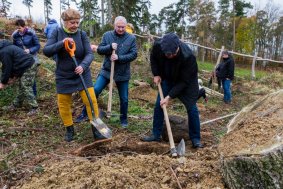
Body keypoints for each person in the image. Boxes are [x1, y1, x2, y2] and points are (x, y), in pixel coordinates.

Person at [43, 8, 99, 142]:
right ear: (65, 22)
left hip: (82, 74)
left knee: (91, 100)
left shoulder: (82, 34)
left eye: (77, 22)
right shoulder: (57, 32)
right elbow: (46, 51)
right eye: (72, 22)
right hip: (63, 74)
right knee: (64, 103)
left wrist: (83, 66)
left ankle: (96, 128)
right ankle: (69, 129)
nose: (75, 25)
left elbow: (89, 54)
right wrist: (61, 43)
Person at [141, 32, 203, 148]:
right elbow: (153, 58)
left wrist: (169, 97)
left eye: (172, 54)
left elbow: (184, 82)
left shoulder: (188, 57)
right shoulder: (158, 46)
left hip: (185, 82)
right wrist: (156, 74)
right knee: (159, 105)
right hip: (168, 77)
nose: (169, 56)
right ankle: (156, 134)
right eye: (166, 54)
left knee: (192, 108)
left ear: (177, 47)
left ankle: (195, 139)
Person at [75, 16, 138, 128]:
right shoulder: (107, 35)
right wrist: (110, 47)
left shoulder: (131, 38)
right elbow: (99, 50)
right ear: (114, 25)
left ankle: (123, 119)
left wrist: (119, 57)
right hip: (107, 70)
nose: (120, 29)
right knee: (95, 91)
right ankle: (85, 113)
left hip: (123, 73)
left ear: (126, 26)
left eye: (123, 27)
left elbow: (134, 54)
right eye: (118, 27)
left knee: (124, 98)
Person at [0, 37, 38, 115]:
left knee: (25, 86)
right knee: (21, 86)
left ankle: (35, 108)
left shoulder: (4, 51)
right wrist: (11, 77)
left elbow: (7, 67)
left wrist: (3, 82)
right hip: (23, 66)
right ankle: (17, 104)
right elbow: (10, 65)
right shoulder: (5, 48)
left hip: (28, 65)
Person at [12, 19, 41, 97]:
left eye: (20, 28)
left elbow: (38, 46)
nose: (18, 30)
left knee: (32, 80)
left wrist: (30, 50)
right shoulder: (15, 36)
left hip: (32, 59)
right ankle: (22, 99)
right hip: (21, 60)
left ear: (24, 26)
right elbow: (14, 47)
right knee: (22, 79)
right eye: (17, 28)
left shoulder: (31, 34)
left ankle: (34, 97)